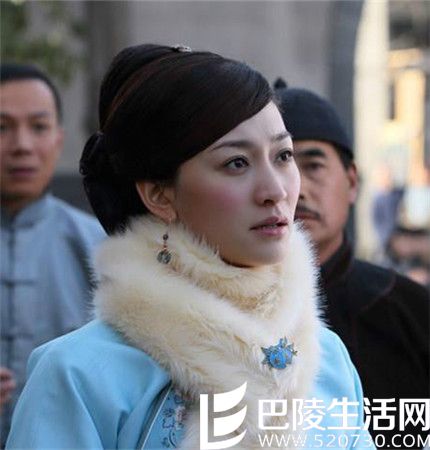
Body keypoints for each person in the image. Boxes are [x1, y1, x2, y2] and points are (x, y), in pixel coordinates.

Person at [7, 44, 375, 450]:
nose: (276, 190)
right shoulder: (79, 375)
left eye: (283, 155)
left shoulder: (326, 358)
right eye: (236, 163)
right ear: (160, 195)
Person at [275, 80, 429, 449]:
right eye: (281, 164)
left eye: (313, 165)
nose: (296, 188)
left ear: (352, 181)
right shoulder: (224, 316)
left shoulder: (410, 310)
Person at [0, 63, 105, 444]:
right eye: (2, 127)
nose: (22, 145)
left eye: (39, 127)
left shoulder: (102, 248)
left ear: (59, 139)